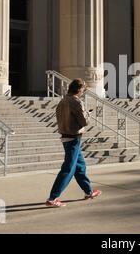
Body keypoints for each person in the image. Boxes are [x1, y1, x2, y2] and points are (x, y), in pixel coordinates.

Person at [46, 79, 102, 208]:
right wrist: (88, 114)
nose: (83, 93)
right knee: (68, 168)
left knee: (80, 167)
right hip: (73, 138)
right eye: (84, 90)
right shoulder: (76, 101)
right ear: (80, 89)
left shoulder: (63, 100)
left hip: (66, 135)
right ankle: (52, 198)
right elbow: (84, 122)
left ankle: (88, 192)